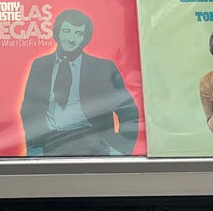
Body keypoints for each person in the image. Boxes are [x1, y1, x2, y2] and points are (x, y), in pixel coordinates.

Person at [20, 9, 139, 156]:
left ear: (85, 37)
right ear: (57, 32)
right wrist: (35, 149)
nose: (71, 39)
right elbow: (29, 110)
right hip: (50, 143)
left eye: (78, 33)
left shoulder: (103, 67)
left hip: (95, 142)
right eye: (66, 31)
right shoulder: (40, 65)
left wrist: (121, 149)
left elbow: (128, 110)